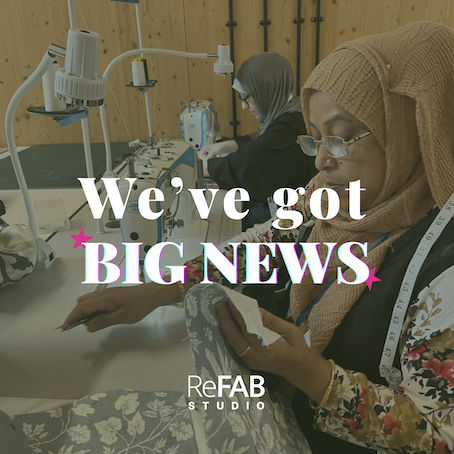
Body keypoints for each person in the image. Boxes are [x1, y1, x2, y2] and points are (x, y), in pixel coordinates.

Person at [62, 21, 454, 453]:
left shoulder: (443, 265)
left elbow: (440, 437)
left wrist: (308, 372)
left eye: (341, 139)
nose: (321, 161)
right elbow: (268, 245)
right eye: (316, 139)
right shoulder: (331, 198)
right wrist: (161, 288)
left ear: (415, 131)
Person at [198, 51, 317, 229]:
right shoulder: (293, 110)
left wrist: (204, 168)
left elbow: (251, 163)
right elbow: (261, 139)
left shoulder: (290, 127)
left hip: (290, 224)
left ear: (264, 91)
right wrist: (226, 145)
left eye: (246, 98)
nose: (243, 106)